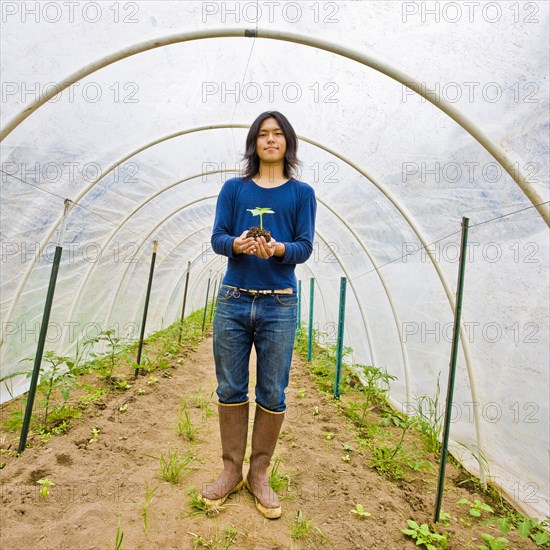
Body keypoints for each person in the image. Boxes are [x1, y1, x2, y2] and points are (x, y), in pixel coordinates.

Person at [201, 111, 317, 519]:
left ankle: (259, 474)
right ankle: (230, 470)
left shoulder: (301, 194)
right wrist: (238, 243)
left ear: (288, 143)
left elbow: (304, 246)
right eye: (263, 135)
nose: (271, 140)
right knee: (231, 386)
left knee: (273, 390)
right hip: (234, 299)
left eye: (278, 134)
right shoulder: (234, 190)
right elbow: (217, 238)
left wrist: (279, 249)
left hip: (279, 302)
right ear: (255, 143)